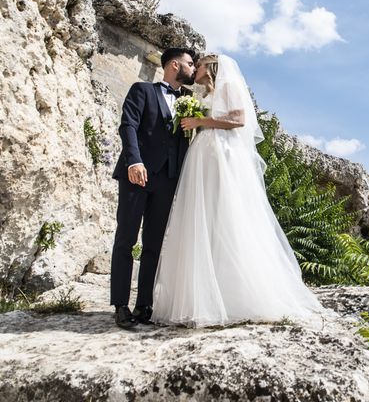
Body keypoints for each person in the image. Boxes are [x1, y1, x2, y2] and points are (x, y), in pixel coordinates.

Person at [151, 54, 324, 327]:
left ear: (211, 68)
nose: (195, 68)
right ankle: (203, 294)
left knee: (224, 215)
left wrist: (201, 122)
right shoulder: (207, 93)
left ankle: (232, 295)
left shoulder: (227, 87)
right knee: (205, 217)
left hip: (222, 153)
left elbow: (239, 119)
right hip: (205, 155)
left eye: (200, 64)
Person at [110, 47, 196, 329]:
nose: (193, 69)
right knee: (126, 238)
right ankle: (120, 305)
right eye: (189, 64)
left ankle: (144, 305)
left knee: (154, 244)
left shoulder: (190, 101)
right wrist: (134, 161)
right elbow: (128, 125)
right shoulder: (142, 90)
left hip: (168, 179)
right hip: (138, 174)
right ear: (174, 65)